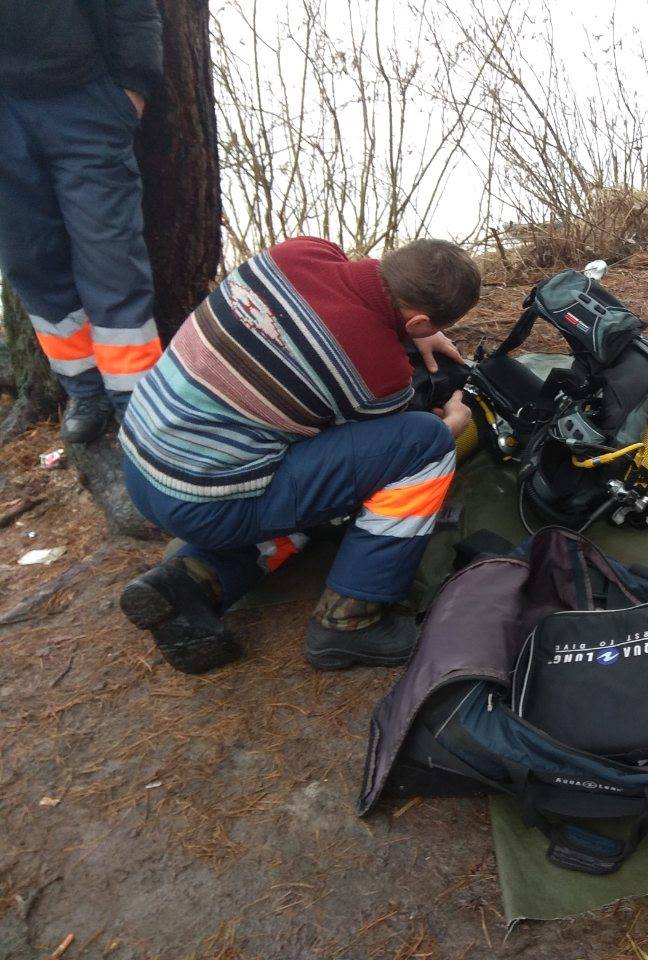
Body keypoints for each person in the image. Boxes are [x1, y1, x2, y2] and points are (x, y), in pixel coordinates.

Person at [117, 237, 479, 675]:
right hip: (206, 503)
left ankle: (194, 580)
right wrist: (452, 424)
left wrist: (416, 329)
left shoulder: (299, 252)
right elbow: (377, 445)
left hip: (142, 460)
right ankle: (350, 623)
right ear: (419, 321)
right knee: (424, 445)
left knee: (302, 470)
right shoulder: (378, 371)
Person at [0, 0, 163, 442]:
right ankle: (84, 389)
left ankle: (137, 398)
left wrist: (134, 86)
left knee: (110, 256)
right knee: (29, 258)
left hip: (85, 99)